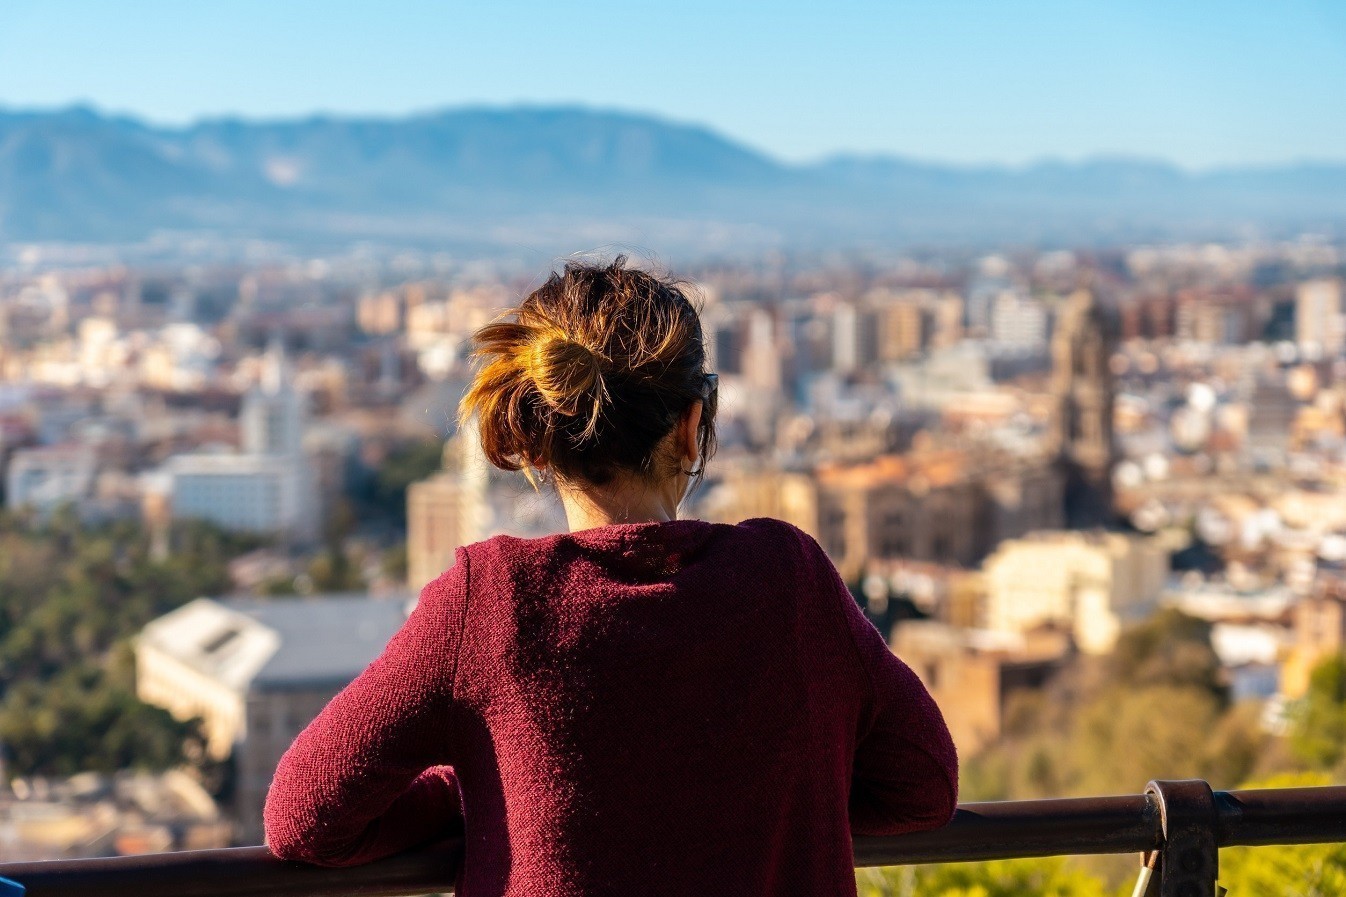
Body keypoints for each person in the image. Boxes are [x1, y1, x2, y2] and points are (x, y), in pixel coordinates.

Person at [263, 257, 957, 896]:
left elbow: (305, 817)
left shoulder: (493, 604)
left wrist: (481, 791)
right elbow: (923, 784)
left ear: (539, 438)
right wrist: (768, 796)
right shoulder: (789, 580)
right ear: (691, 428)